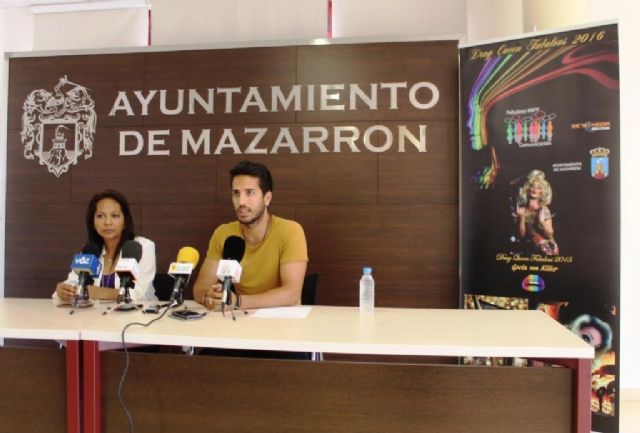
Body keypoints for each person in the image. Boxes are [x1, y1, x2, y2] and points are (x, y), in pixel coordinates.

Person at [193, 160, 308, 311]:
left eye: (249, 193)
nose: (241, 202)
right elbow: (201, 287)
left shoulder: (290, 231)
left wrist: (238, 302)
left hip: (282, 317)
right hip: (241, 317)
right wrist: (210, 297)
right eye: (236, 193)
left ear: (267, 198)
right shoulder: (223, 233)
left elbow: (291, 294)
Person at [54, 189, 157, 303]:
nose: (108, 222)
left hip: (138, 313)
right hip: (95, 314)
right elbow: (72, 284)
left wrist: (98, 292)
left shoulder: (142, 247)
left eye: (115, 216)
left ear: (125, 222)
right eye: (100, 216)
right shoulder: (90, 252)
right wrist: (63, 292)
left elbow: (139, 294)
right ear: (93, 223)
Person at [515, 169, 559, 255]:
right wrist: (522, 219)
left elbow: (550, 234)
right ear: (528, 189)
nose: (535, 190)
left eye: (539, 188)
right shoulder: (522, 209)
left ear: (542, 192)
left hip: (549, 249)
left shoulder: (544, 209)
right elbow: (522, 235)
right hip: (531, 248)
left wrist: (542, 222)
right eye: (533, 187)